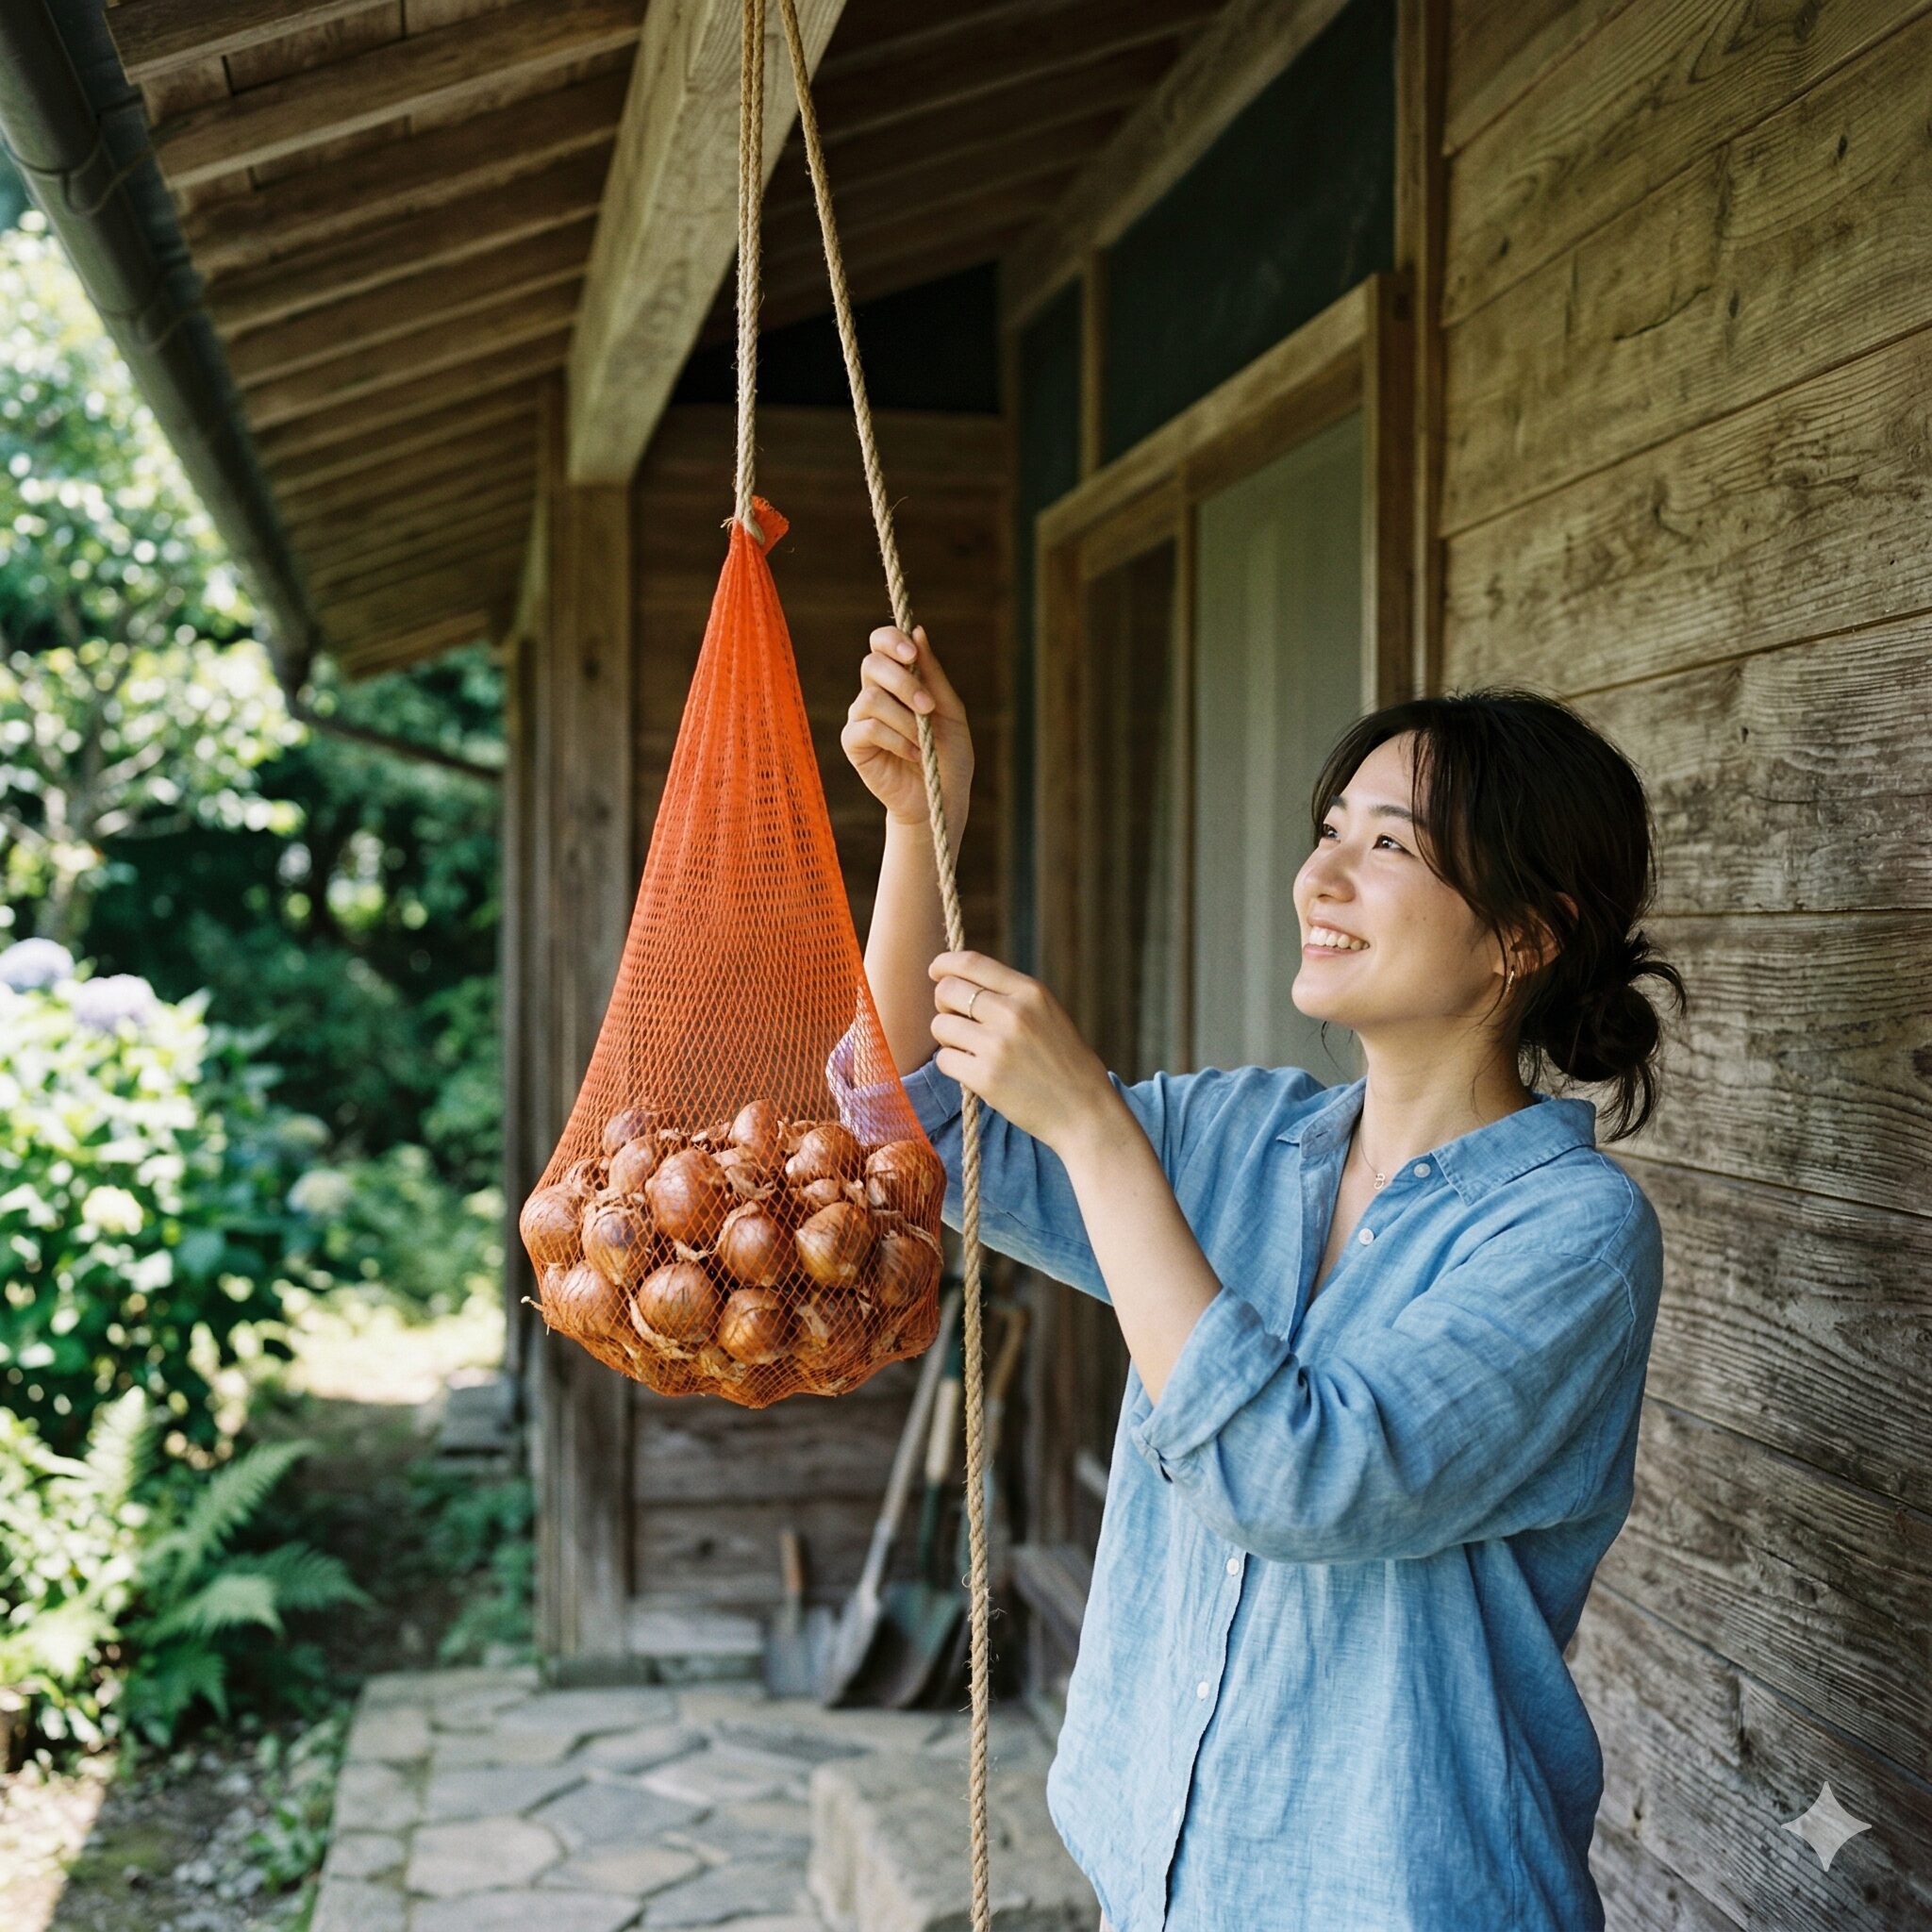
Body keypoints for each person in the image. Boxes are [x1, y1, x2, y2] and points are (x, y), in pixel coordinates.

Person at [828, 621, 1687, 1932]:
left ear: (1527, 933)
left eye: (1387, 845)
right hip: (1159, 1892)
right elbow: (911, 1130)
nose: (1319, 878)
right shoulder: (1236, 1136)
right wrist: (917, 824)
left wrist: (1099, 1135)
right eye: (1329, 829)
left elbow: (1296, 1479)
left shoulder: (1572, 1239)